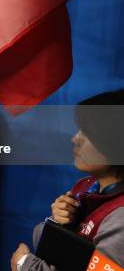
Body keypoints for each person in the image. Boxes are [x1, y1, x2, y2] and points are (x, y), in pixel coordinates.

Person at [11, 90, 124, 270]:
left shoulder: (120, 218)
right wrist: (61, 223)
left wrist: (24, 264)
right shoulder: (86, 187)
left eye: (88, 132)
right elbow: (43, 240)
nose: (75, 138)